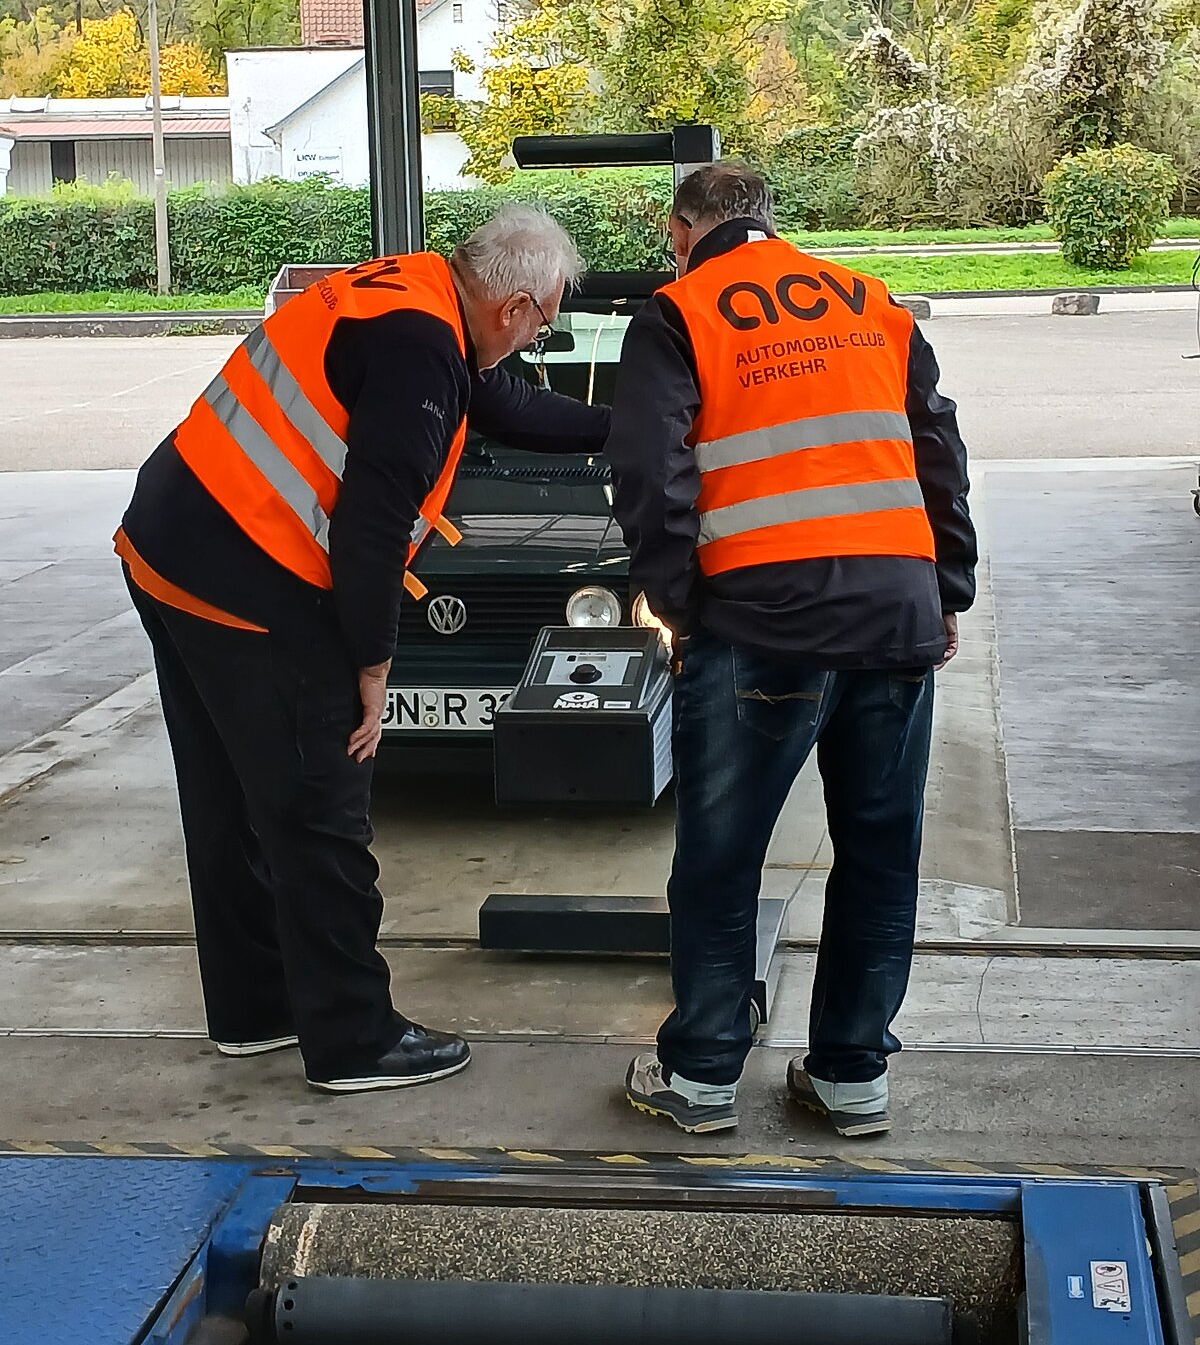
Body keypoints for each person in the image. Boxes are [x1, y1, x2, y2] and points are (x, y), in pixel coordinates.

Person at [117, 205, 608, 1094]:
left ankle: (256, 1008)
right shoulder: (425, 349)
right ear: (517, 307)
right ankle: (354, 1039)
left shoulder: (418, 292)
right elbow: (373, 525)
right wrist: (372, 668)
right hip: (249, 576)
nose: (543, 336)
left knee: (230, 796)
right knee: (320, 807)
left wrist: (630, 429)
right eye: (548, 320)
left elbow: (504, 401)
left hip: (170, 549)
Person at [608, 164, 976, 1136]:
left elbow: (648, 468)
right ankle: (852, 1075)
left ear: (682, 230)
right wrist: (948, 589)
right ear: (770, 222)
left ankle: (701, 1080)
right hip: (894, 616)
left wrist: (681, 600)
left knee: (723, 856)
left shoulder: (679, 313)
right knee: (880, 850)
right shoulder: (870, 303)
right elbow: (937, 448)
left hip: (759, 621)